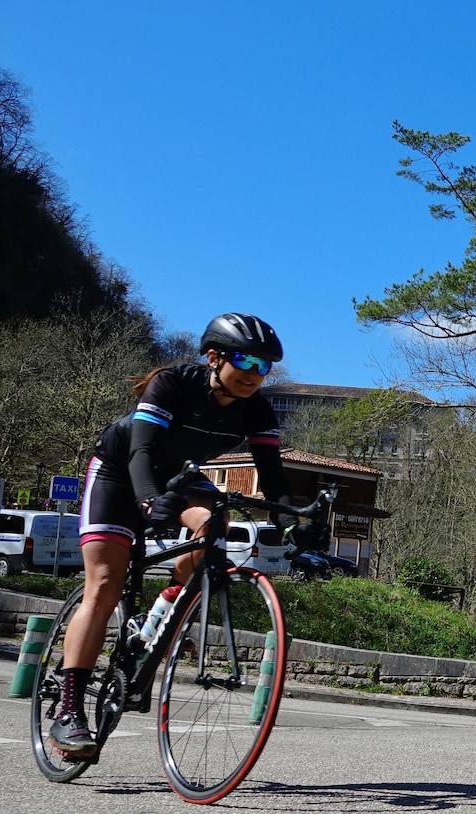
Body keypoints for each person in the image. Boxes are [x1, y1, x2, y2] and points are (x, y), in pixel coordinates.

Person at [49, 313, 293, 758]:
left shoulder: (257, 407)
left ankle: (163, 610)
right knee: (103, 584)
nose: (255, 375)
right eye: (246, 361)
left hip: (179, 478)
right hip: (121, 474)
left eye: (265, 367)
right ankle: (69, 710)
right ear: (214, 357)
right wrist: (147, 504)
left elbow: (272, 477)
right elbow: (141, 450)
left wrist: (294, 521)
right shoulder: (173, 384)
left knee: (213, 526)